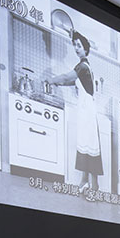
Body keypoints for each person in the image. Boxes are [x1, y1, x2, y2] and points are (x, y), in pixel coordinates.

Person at [49, 30, 105, 193]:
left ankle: (95, 187)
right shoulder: (84, 67)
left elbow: (67, 77)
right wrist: (58, 84)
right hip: (85, 113)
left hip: (88, 114)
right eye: (74, 45)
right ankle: (84, 181)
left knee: (91, 149)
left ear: (85, 48)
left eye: (79, 46)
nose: (76, 48)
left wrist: (52, 80)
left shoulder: (82, 66)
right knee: (85, 147)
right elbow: (72, 82)